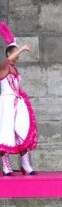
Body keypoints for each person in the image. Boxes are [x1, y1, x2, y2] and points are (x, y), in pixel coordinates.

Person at [0, 22, 37, 176]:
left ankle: (25, 163)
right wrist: (20, 48)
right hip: (6, 102)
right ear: (8, 55)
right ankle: (6, 165)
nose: (16, 58)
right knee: (6, 133)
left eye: (18, 56)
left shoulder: (15, 69)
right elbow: (8, 61)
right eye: (14, 55)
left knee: (22, 130)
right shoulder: (3, 66)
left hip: (17, 103)